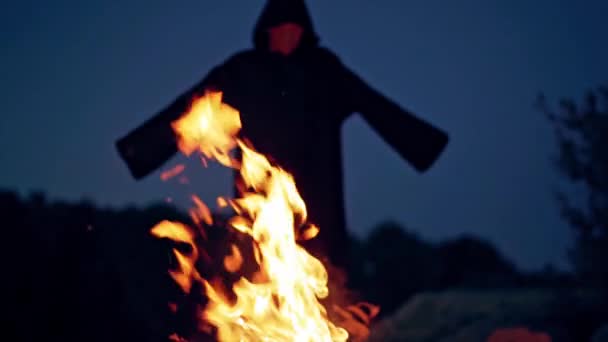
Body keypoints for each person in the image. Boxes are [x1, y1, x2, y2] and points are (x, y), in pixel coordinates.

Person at [116, 0, 449, 275]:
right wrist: (140, 149)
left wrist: (424, 145)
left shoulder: (324, 70)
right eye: (280, 29)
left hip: (319, 205)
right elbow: (190, 111)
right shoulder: (242, 71)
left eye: (295, 29)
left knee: (322, 283)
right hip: (260, 205)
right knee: (258, 281)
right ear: (266, 32)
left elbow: (374, 105)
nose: (287, 36)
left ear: (305, 33)